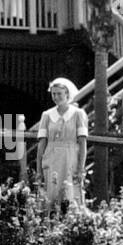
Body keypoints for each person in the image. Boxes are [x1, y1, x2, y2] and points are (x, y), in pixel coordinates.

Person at [36, 77, 88, 214]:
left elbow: (82, 143)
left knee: (71, 195)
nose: (56, 97)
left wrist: (81, 168)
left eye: (59, 93)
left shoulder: (78, 114)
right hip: (51, 158)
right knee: (51, 195)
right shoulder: (47, 115)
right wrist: (39, 170)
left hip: (70, 158)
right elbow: (42, 144)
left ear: (67, 94)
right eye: (53, 94)